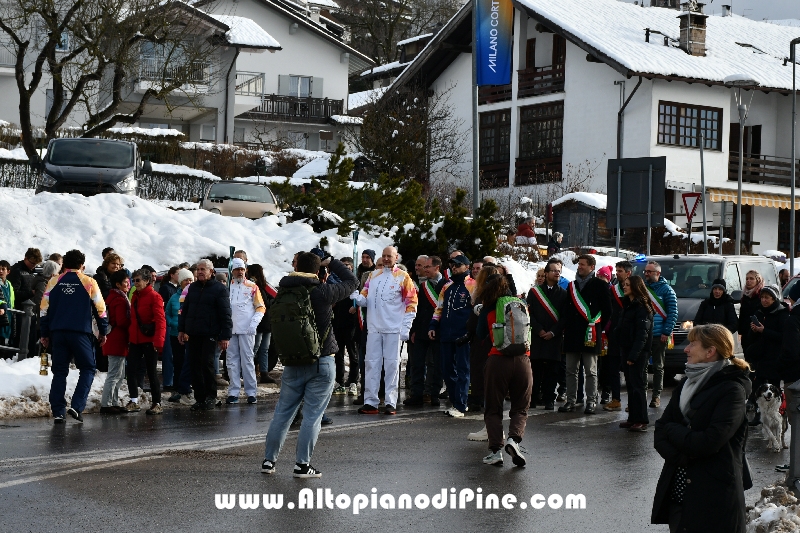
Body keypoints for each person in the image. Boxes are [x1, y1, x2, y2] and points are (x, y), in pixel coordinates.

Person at [261, 253, 357, 478]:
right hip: (321, 361)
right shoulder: (322, 292)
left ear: (295, 267)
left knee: (282, 413)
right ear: (317, 271)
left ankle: (268, 461)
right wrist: (332, 262)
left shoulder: (283, 291)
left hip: (293, 361)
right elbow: (353, 282)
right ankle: (302, 465)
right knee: (312, 415)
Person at [652, 324, 752, 533]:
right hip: (679, 497)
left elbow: (708, 442)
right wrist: (682, 458)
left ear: (710, 351)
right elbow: (659, 431)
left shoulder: (732, 390)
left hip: (714, 499)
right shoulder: (687, 383)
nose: (686, 349)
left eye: (692, 344)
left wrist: (673, 431)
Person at [39, 249, 108, 423]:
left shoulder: (54, 281)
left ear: (64, 264)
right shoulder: (89, 282)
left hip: (58, 332)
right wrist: (103, 331)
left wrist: (44, 333)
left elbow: (43, 310)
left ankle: (58, 411)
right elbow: (101, 310)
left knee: (59, 372)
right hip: (80, 332)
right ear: (81, 265)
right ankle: (77, 406)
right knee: (88, 368)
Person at [352, 246, 418, 415]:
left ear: (396, 258)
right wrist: (357, 297)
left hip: (393, 329)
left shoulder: (403, 277)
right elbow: (365, 299)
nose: (386, 259)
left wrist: (406, 327)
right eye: (384, 256)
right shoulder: (373, 277)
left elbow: (411, 303)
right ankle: (371, 402)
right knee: (371, 365)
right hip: (374, 328)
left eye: (389, 256)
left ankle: (390, 401)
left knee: (391, 366)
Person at [477, 274, 532, 467]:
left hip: (498, 360)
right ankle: (514, 440)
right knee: (520, 407)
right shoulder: (521, 303)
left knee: (493, 408)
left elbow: (479, 334)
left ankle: (495, 452)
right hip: (523, 360)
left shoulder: (489, 307)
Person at [559, 254, 611, 415]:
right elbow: (567, 310)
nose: (579, 267)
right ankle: (571, 400)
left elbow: (607, 310)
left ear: (591, 267)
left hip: (591, 333)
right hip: (572, 334)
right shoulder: (572, 286)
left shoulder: (600, 285)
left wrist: (597, 325)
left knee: (590, 370)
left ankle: (591, 401)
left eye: (582, 264)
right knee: (570, 370)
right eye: (579, 264)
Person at [178, 259, 232, 411]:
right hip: (193, 333)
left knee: (206, 365)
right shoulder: (192, 288)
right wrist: (182, 330)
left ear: (211, 271)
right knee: (194, 365)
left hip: (210, 333)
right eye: (198, 269)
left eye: (203, 269)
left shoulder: (219, 289)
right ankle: (200, 398)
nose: (200, 272)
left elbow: (226, 314)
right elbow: (185, 311)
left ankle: (211, 396)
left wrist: (225, 336)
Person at [429, 254, 475, 417]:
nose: (454, 267)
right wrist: (433, 325)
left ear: (466, 267)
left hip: (464, 336)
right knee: (447, 370)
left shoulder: (473, 285)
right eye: (452, 265)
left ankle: (461, 405)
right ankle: (456, 402)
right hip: (446, 334)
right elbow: (439, 308)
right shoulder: (446, 286)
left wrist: (472, 331)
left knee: (463, 369)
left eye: (457, 265)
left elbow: (478, 309)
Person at [527, 259, 568, 411]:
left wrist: (553, 332)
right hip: (537, 336)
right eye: (554, 270)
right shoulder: (534, 292)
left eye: (559, 271)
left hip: (554, 337)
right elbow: (529, 313)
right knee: (535, 369)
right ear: (546, 273)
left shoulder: (563, 294)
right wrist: (538, 330)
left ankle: (549, 398)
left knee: (552, 370)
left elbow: (565, 317)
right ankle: (533, 398)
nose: (557, 273)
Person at [225, 258, 265, 405]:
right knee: (231, 361)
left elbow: (261, 307)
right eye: (237, 269)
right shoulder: (227, 287)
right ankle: (233, 392)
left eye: (242, 269)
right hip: (230, 330)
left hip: (247, 329)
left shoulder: (252, 286)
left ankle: (251, 392)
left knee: (247, 360)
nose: (240, 272)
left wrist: (254, 323)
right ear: (232, 271)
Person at [127, 268, 167, 415]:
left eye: (138, 280)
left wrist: (159, 341)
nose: (135, 283)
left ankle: (157, 402)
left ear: (147, 281)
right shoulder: (135, 297)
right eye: (134, 280)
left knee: (151, 372)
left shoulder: (155, 297)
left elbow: (160, 320)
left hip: (149, 340)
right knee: (131, 370)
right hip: (136, 339)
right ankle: (134, 400)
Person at [745, 284, 788, 418]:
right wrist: (753, 330)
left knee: (773, 388)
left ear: (774, 299)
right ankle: (760, 415)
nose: (764, 300)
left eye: (767, 298)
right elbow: (750, 338)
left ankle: (776, 415)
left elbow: (783, 337)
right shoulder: (759, 312)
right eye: (762, 297)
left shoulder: (782, 313)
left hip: (775, 357)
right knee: (759, 388)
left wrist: (764, 331)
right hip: (760, 357)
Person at [405, 255, 443, 407]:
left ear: (437, 268)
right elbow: (417, 309)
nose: (424, 270)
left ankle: (434, 394)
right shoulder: (423, 286)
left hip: (438, 330)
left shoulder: (445, 285)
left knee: (436, 364)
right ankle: (417, 394)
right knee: (417, 363)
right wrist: (413, 330)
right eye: (424, 267)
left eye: (427, 267)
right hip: (421, 330)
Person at [617, 276, 654, 431]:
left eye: (627, 285)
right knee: (631, 386)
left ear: (635, 287)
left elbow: (642, 335)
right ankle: (633, 417)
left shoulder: (642, 308)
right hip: (627, 349)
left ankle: (641, 419)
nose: (624, 287)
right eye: (624, 285)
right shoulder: (629, 305)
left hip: (637, 352)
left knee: (638, 386)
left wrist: (633, 355)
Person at [644, 261, 678, 408]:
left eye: (649, 272)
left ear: (657, 273)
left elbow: (672, 314)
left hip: (659, 334)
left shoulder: (667, 291)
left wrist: (666, 331)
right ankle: (641, 395)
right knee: (643, 366)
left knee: (658, 366)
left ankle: (656, 396)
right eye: (645, 271)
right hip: (644, 334)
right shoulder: (643, 289)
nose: (646, 274)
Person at [100, 270, 131, 414]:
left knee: (119, 374)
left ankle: (114, 401)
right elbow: (121, 321)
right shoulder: (119, 299)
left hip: (114, 338)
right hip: (117, 339)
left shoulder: (113, 297)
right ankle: (106, 404)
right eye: (125, 282)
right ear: (118, 284)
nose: (128, 284)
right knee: (114, 374)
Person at [604, 260, 632, 412]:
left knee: (629, 371)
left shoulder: (635, 290)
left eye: (620, 271)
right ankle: (616, 399)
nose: (617, 273)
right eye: (616, 270)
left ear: (628, 273)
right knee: (613, 368)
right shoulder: (612, 290)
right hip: (615, 333)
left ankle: (632, 401)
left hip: (628, 335)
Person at [166, 269, 194, 404]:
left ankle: (188, 387)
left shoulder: (194, 295)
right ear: (181, 282)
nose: (188, 282)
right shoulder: (174, 297)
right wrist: (173, 324)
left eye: (190, 280)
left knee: (190, 361)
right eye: (186, 280)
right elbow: (167, 314)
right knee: (178, 361)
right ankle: (177, 387)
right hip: (175, 334)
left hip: (191, 334)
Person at [332, 257, 359, 395]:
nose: (345, 267)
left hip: (351, 323)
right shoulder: (337, 283)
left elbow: (361, 299)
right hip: (338, 323)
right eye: (342, 265)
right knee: (338, 354)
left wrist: (356, 306)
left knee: (353, 354)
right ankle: (340, 381)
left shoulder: (355, 283)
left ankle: (353, 381)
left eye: (347, 265)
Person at [247, 264, 277, 385]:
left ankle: (263, 373)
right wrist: (272, 302)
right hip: (260, 321)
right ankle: (249, 371)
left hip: (264, 322)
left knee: (263, 348)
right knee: (255, 348)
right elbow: (264, 302)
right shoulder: (256, 286)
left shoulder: (261, 286)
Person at [738, 270, 763, 352]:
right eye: (747, 279)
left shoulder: (761, 296)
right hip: (745, 333)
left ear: (758, 280)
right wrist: (740, 330)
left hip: (758, 334)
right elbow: (742, 314)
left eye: (751, 278)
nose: (748, 281)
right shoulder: (744, 296)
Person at [0, 260, 13, 350]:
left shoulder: (9, 284)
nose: (0, 271)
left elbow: (11, 300)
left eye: (3, 269)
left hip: (8, 314)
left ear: (8, 271)